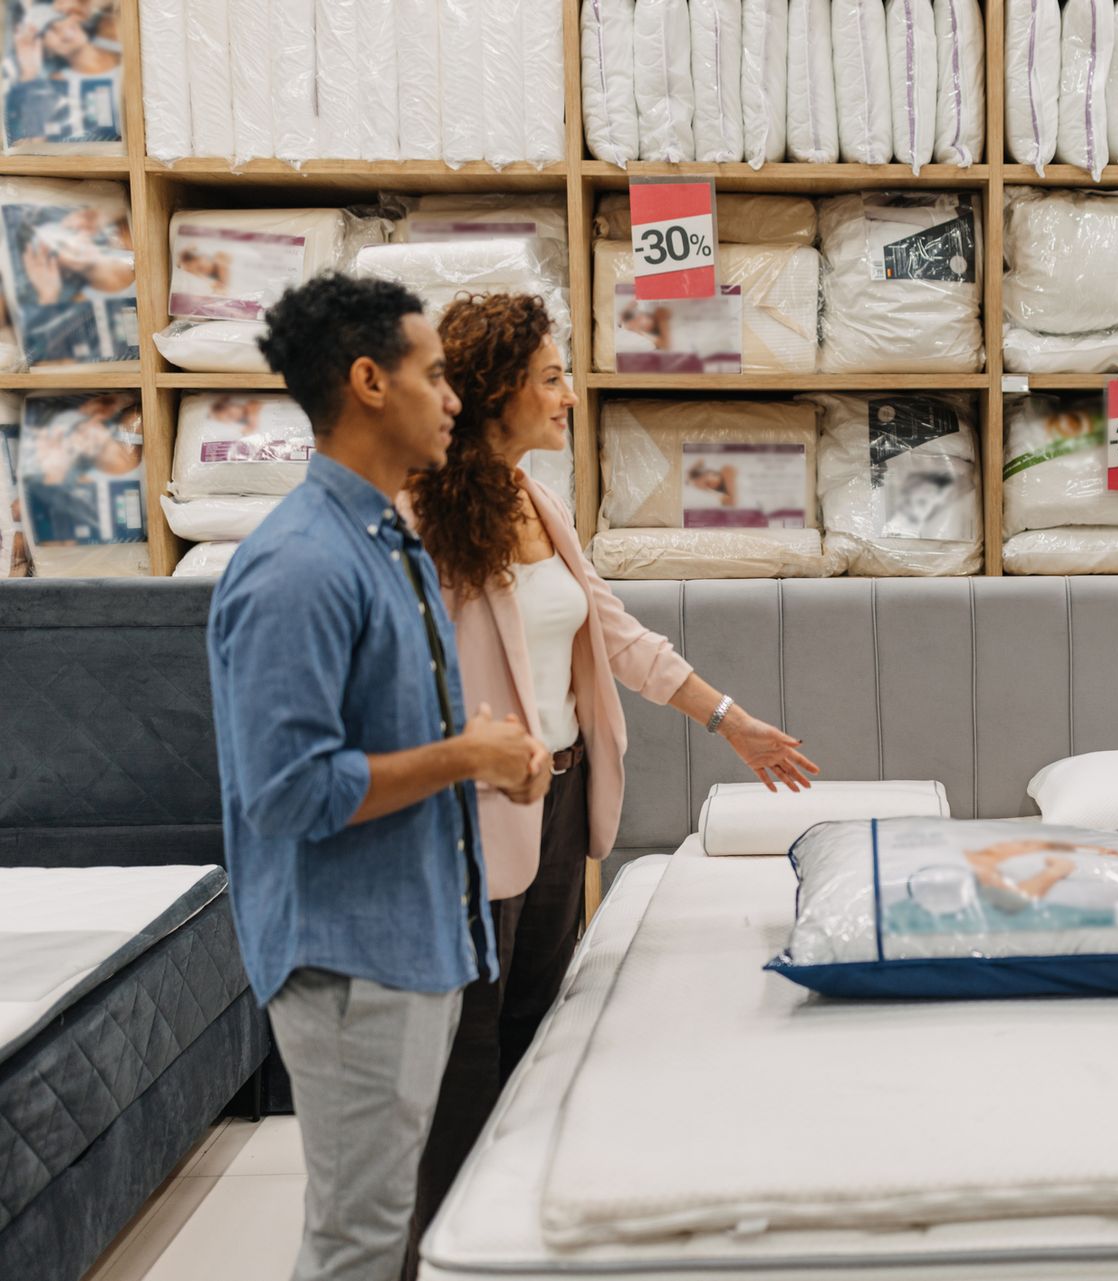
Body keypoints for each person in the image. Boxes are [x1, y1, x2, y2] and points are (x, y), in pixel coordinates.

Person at [399, 292, 819, 1273]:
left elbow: (613, 631)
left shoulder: (534, 498)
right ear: (497, 391)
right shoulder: (423, 518)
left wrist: (729, 720)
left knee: (533, 1029)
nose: (570, 396)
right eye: (551, 379)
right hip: (473, 814)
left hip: (559, 797)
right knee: (465, 1054)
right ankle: (444, 1254)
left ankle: (517, 1234)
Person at [207, 274, 552, 1281]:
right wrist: (467, 758)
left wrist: (486, 754)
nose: (455, 398)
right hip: (352, 962)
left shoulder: (387, 540)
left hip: (414, 939)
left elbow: (396, 731)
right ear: (368, 382)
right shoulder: (300, 565)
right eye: (435, 375)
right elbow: (289, 790)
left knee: (385, 1223)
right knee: (357, 1241)